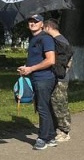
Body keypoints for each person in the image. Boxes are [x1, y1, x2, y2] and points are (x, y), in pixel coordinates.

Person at [18, 15, 58, 151]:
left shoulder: (45, 38)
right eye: (30, 21)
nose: (32, 23)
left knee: (42, 108)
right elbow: (36, 59)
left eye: (36, 21)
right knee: (44, 106)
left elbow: (50, 60)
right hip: (36, 77)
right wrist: (25, 68)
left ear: (42, 24)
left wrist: (31, 69)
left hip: (44, 78)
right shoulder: (33, 38)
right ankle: (51, 136)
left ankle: (43, 138)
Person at [44, 18, 73, 142]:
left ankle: (64, 131)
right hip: (59, 76)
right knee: (56, 103)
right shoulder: (62, 40)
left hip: (60, 78)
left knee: (59, 104)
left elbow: (65, 62)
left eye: (44, 29)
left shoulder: (59, 42)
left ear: (48, 28)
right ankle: (58, 129)